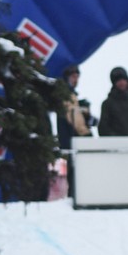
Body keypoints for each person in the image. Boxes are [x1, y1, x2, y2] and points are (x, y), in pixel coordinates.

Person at [56, 64, 92, 197]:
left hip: (72, 138)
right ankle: (76, 197)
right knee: (76, 171)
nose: (76, 80)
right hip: (74, 139)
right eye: (73, 76)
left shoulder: (71, 95)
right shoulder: (66, 95)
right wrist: (87, 133)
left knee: (77, 171)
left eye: (77, 76)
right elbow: (74, 119)